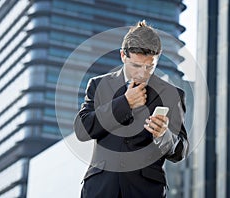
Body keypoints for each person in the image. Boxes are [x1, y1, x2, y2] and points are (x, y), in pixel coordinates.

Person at [74, 20, 189, 198]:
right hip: (101, 189)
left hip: (146, 191)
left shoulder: (172, 95)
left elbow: (181, 150)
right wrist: (124, 103)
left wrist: (163, 135)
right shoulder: (99, 85)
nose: (142, 73)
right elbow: (83, 130)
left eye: (150, 66)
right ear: (123, 56)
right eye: (136, 65)